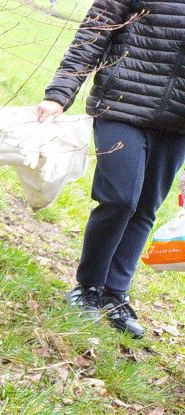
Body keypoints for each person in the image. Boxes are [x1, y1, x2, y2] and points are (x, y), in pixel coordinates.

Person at [37, 0, 185, 339]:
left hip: (177, 124)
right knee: (121, 198)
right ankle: (88, 286)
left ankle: (115, 294)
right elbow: (94, 32)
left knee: (145, 207)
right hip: (121, 102)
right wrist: (59, 93)